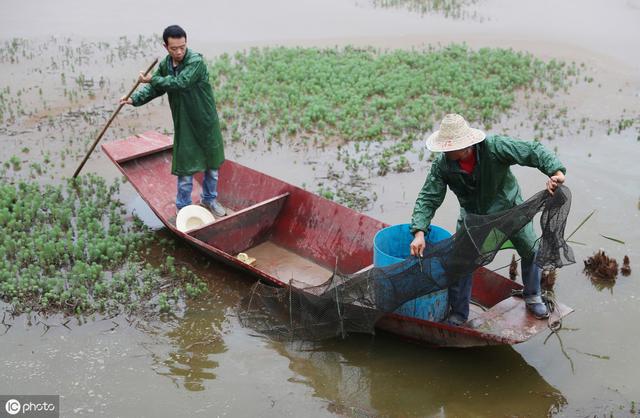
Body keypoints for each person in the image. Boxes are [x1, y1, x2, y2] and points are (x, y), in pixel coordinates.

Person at [409, 113, 566, 325]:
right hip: (473, 217)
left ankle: (532, 295)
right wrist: (419, 231)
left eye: (449, 147)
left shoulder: (495, 147)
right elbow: (429, 197)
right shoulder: (443, 165)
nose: (445, 151)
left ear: (466, 146)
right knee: (461, 262)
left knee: (531, 249)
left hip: (509, 210)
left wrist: (555, 172)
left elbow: (532, 151)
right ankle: (459, 313)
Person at [121, 25, 226, 217]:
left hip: (205, 122)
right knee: (185, 171)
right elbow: (156, 88)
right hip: (184, 123)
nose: (179, 52)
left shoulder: (196, 62)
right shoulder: (166, 64)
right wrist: (134, 99)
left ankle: (209, 200)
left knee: (212, 167)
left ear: (186, 44)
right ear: (165, 46)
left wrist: (152, 79)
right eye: (174, 48)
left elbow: (180, 83)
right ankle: (184, 209)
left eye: (182, 47)